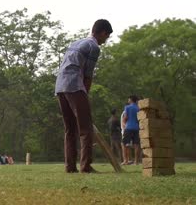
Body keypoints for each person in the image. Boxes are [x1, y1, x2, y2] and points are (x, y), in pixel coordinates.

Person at [55, 19, 113, 173]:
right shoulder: (93, 46)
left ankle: (70, 167)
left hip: (60, 86)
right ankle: (85, 166)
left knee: (70, 129)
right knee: (85, 128)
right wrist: (84, 95)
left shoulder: (76, 43)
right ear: (102, 33)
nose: (104, 41)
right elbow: (88, 74)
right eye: (106, 38)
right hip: (74, 85)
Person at [122, 95, 141, 165]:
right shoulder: (138, 108)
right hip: (136, 127)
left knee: (124, 143)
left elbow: (126, 117)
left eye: (128, 99)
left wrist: (124, 122)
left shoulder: (127, 107)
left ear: (130, 99)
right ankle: (136, 161)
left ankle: (126, 160)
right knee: (136, 144)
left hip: (128, 127)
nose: (128, 100)